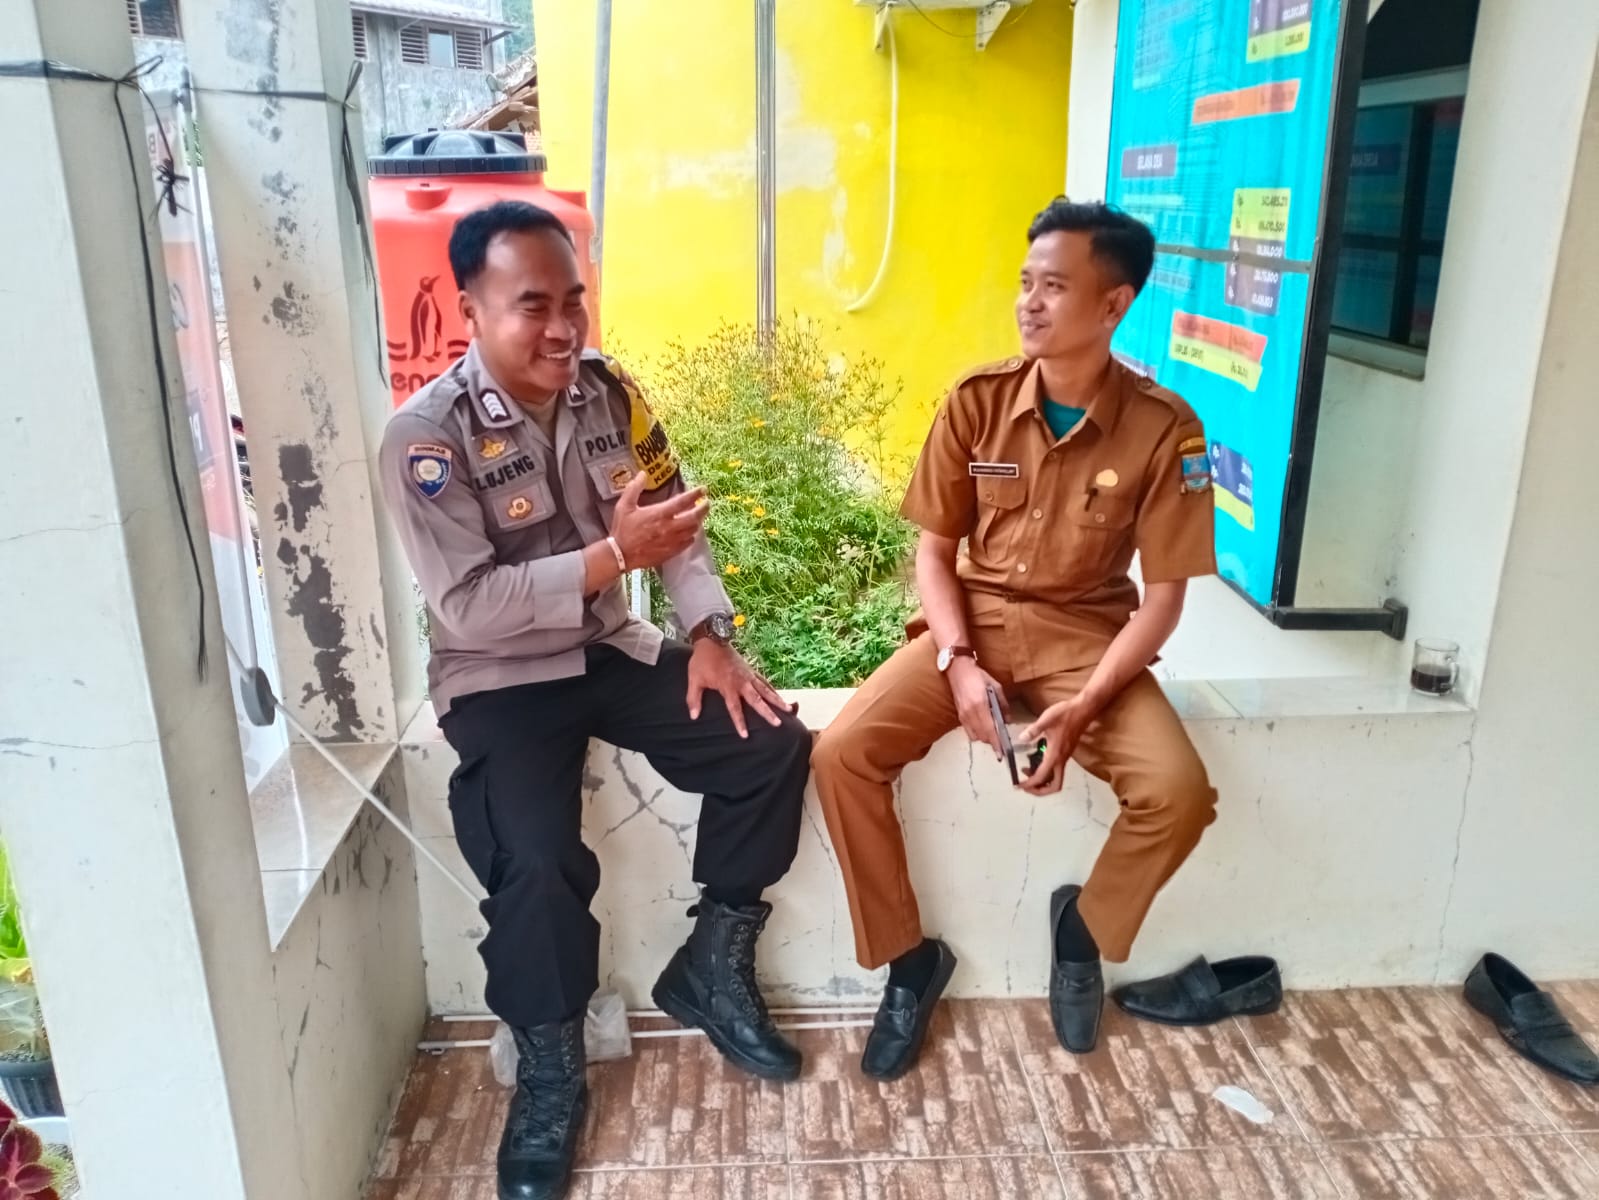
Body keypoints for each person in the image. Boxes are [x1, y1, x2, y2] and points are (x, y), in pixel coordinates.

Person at [380, 201, 811, 1200]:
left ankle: (712, 962)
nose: (563, 327)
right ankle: (549, 1063)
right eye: (533, 305)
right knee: (533, 857)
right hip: (499, 676)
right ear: (471, 308)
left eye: (573, 300)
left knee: (767, 741)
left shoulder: (611, 393)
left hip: (606, 649)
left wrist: (711, 637)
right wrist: (616, 555)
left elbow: (677, 523)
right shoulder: (425, 438)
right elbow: (469, 604)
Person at [810, 199, 1220, 1079]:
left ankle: (1083, 932)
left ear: (1112, 305)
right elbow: (932, 554)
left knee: (1177, 792)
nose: (1029, 302)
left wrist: (1085, 707)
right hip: (973, 624)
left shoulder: (1165, 429)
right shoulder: (978, 401)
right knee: (841, 754)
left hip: (1087, 636)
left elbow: (1162, 602)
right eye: (1025, 282)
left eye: (1054, 287)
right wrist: (956, 664)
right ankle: (908, 962)